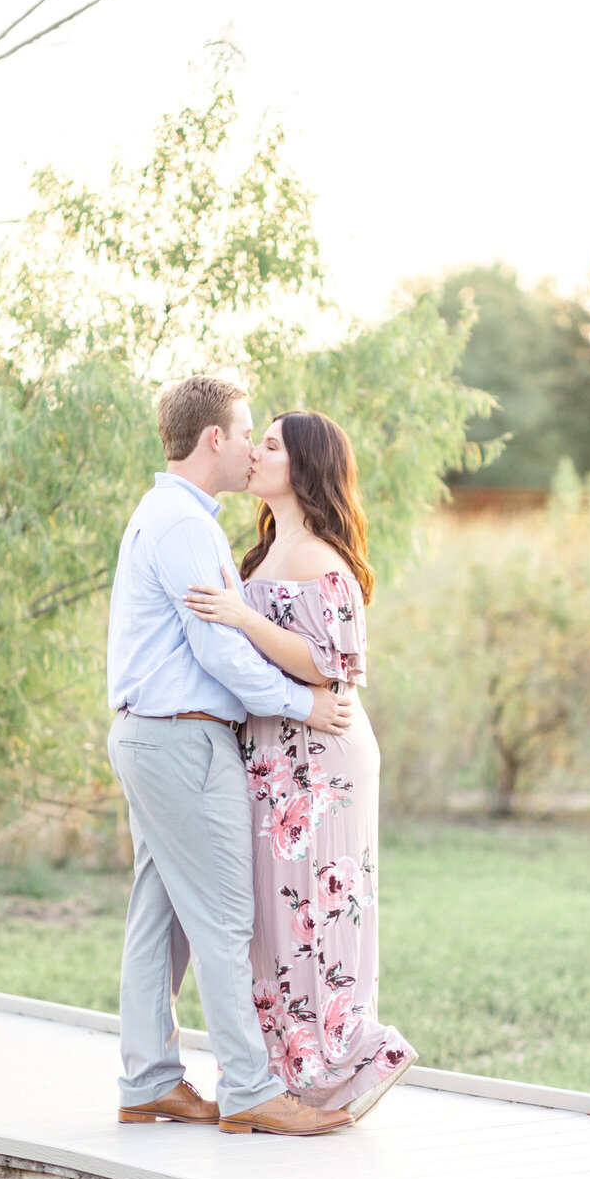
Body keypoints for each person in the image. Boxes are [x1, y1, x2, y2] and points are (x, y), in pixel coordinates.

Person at [106, 376, 355, 1136]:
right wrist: (304, 703)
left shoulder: (167, 515)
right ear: (215, 438)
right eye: (247, 431)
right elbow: (218, 652)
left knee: (159, 917)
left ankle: (150, 1079)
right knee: (222, 919)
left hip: (149, 733)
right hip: (182, 738)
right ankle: (249, 1089)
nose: (252, 447)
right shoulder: (185, 527)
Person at [185, 410, 417, 1119]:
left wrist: (243, 618)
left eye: (273, 445)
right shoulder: (257, 557)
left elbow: (333, 668)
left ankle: (345, 1065)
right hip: (271, 760)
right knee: (272, 921)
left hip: (321, 763)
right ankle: (285, 1079)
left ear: (305, 468)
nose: (255, 452)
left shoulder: (323, 559)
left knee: (318, 913)